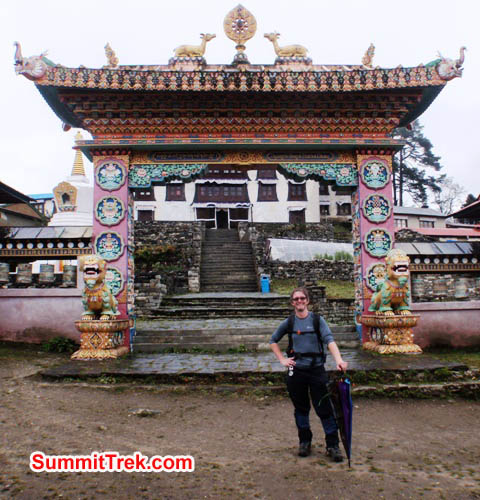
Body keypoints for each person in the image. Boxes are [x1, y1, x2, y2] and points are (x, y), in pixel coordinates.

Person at [270, 287, 348, 461]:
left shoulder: (317, 321)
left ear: (307, 301)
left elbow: (330, 341)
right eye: (296, 299)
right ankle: (304, 442)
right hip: (295, 370)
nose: (299, 301)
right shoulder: (289, 322)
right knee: (301, 408)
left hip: (316, 370)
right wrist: (282, 360)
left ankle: (332, 445)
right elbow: (273, 340)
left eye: (302, 298)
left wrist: (339, 360)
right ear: (292, 302)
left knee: (324, 409)